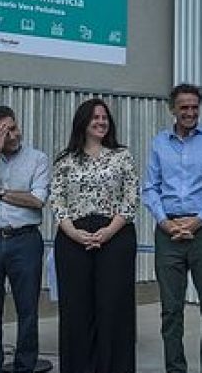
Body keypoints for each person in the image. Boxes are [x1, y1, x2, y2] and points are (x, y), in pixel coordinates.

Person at [141, 84, 202, 373]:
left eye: (194, 107)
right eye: (184, 107)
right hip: (168, 232)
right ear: (173, 109)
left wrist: (197, 220)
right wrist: (165, 222)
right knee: (171, 311)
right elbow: (150, 188)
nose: (190, 112)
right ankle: (175, 369)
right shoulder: (159, 143)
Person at [52, 98, 140, 373]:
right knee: (76, 310)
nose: (101, 122)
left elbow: (131, 197)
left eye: (104, 117)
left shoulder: (121, 156)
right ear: (83, 122)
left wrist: (108, 231)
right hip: (73, 238)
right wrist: (75, 234)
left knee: (113, 308)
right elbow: (58, 202)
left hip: (116, 236)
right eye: (95, 117)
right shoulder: (65, 160)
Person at [0, 105, 50, 373]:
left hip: (24, 240)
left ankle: (25, 365)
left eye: (13, 127)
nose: (13, 135)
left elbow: (37, 199)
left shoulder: (37, 158)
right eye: (4, 131)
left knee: (27, 309)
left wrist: (2, 192)